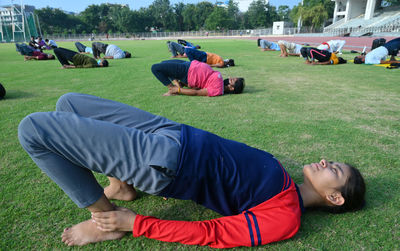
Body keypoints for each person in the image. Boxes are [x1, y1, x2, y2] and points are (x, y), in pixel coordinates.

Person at [18, 93, 366, 247]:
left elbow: (211, 233)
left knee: (33, 129)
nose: (324, 161)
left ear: (334, 197)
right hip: (172, 131)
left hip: (167, 161)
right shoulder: (284, 177)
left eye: (333, 168)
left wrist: (135, 223)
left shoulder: (285, 216)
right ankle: (120, 186)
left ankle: (104, 218)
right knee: (69, 104)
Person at [151, 59, 244, 96]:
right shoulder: (220, 81)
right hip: (189, 65)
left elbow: (197, 92)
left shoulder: (218, 90)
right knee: (163, 63)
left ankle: (172, 88)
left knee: (155, 68)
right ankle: (178, 83)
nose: (231, 78)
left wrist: (178, 90)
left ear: (232, 88)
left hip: (187, 72)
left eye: (233, 80)